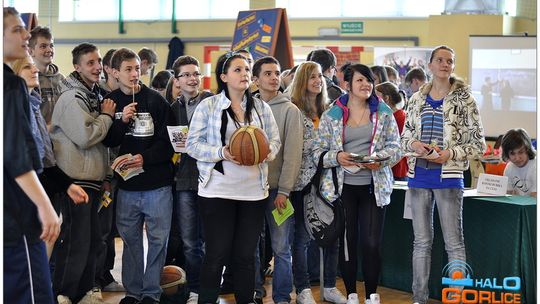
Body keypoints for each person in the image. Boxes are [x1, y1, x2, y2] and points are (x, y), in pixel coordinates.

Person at [186, 51, 280, 304]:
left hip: (253, 192)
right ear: (224, 76)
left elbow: (274, 142)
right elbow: (192, 145)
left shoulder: (262, 108)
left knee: (245, 256)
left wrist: (264, 153)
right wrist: (222, 152)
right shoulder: (208, 106)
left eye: (247, 69)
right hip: (217, 191)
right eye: (237, 70)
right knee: (216, 254)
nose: (244, 74)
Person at [400, 45, 486, 304]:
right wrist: (414, 145)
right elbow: (404, 138)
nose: (445, 64)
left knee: (454, 243)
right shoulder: (415, 99)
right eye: (440, 60)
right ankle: (419, 298)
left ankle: (457, 298)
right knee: (421, 242)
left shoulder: (465, 99)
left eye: (450, 60)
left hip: (449, 178)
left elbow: (478, 144)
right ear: (430, 65)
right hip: (418, 178)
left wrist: (450, 153)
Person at [313, 64, 401, 304]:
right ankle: (351, 293)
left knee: (371, 243)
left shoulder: (383, 112)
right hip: (343, 188)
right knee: (348, 243)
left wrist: (380, 160)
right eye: (360, 80)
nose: (366, 85)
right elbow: (317, 151)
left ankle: (372, 294)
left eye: (369, 80)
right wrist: (337, 157)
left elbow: (396, 147)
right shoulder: (332, 113)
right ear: (347, 84)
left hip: (374, 187)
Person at [102, 48, 175, 304]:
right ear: (114, 72)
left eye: (137, 68)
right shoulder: (109, 101)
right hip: (127, 187)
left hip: (157, 185)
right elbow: (108, 141)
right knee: (131, 241)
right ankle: (133, 291)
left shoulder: (156, 100)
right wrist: (122, 122)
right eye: (128, 69)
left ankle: (151, 293)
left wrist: (145, 158)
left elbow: (169, 143)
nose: (135, 74)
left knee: (157, 241)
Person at [49, 42, 116, 304]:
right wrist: (108, 117)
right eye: (90, 62)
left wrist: (108, 175)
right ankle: (63, 293)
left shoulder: (93, 96)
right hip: (74, 181)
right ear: (76, 66)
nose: (97, 67)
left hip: (94, 180)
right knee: (75, 241)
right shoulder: (70, 97)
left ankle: (85, 290)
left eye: (98, 61)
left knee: (92, 242)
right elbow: (85, 136)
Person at [3, 7, 60, 304]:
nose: (26, 34)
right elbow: (15, 155)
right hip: (15, 215)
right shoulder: (9, 86)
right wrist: (44, 206)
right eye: (16, 30)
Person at [12, 54, 90, 253]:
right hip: (19, 191)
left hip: (41, 182)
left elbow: (45, 159)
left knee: (45, 244)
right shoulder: (14, 110)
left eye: (33, 66)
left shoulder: (34, 106)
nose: (35, 70)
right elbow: (21, 160)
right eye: (27, 67)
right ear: (14, 74)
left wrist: (67, 185)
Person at [288, 61, 347, 304]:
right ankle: (302, 288)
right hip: (302, 184)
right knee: (301, 239)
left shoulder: (329, 110)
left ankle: (330, 287)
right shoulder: (293, 110)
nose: (317, 80)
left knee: (331, 236)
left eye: (320, 76)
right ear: (302, 80)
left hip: (329, 182)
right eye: (312, 76)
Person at [252, 56, 304, 304]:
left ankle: (282, 296)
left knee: (282, 248)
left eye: (277, 73)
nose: (274, 78)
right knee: (250, 246)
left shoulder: (290, 110)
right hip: (250, 190)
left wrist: (284, 190)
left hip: (277, 192)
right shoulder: (246, 107)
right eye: (268, 73)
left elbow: (292, 155)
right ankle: (254, 290)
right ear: (256, 79)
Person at [170, 55, 213, 304]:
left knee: (211, 240)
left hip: (211, 179)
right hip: (184, 180)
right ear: (177, 80)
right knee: (189, 241)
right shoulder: (173, 109)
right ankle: (196, 289)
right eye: (186, 74)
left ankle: (209, 287)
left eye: (195, 73)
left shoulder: (213, 103)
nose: (191, 78)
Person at [29, 25, 65, 126]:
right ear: (31, 51)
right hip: (38, 136)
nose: (49, 50)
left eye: (51, 45)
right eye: (43, 46)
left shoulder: (61, 79)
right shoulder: (27, 79)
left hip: (59, 136)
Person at [375, 81, 408, 180]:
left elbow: (402, 148)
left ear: (386, 98)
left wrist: (385, 165)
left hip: (396, 170)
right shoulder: (384, 116)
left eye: (376, 96)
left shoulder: (401, 118)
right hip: (383, 166)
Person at [501, 128, 536, 197]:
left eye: (521, 152)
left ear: (527, 150)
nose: (517, 158)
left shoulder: (536, 166)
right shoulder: (509, 167)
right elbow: (508, 194)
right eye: (512, 153)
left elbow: (535, 198)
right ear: (507, 154)